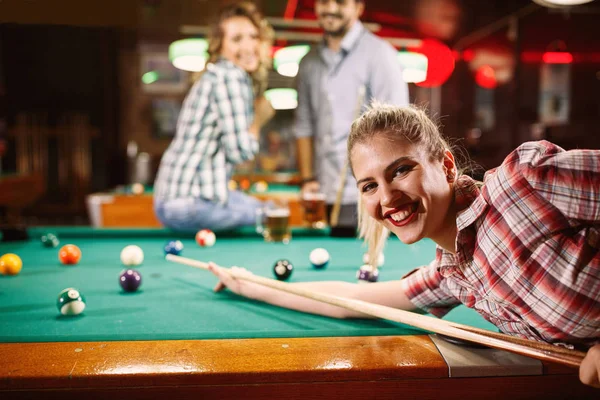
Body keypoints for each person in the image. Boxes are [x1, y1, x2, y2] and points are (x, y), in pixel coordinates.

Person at [208, 103, 600, 388]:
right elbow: (352, 302)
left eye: (401, 170)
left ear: (446, 165)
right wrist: (252, 285)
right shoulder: (455, 274)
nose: (387, 197)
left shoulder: (523, 183)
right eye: (369, 186)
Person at [153, 2, 275, 232]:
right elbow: (240, 152)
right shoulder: (230, 77)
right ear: (220, 46)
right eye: (237, 39)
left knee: (264, 207)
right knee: (273, 212)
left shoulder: (216, 75)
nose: (248, 46)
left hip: (174, 201)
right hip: (189, 204)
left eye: (253, 37)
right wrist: (258, 120)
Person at [295, 0, 409, 237]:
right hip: (324, 193)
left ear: (358, 7)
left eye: (340, 2)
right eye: (324, 1)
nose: (331, 8)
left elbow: (398, 128)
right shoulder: (308, 63)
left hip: (368, 193)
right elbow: (304, 125)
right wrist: (307, 179)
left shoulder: (380, 55)